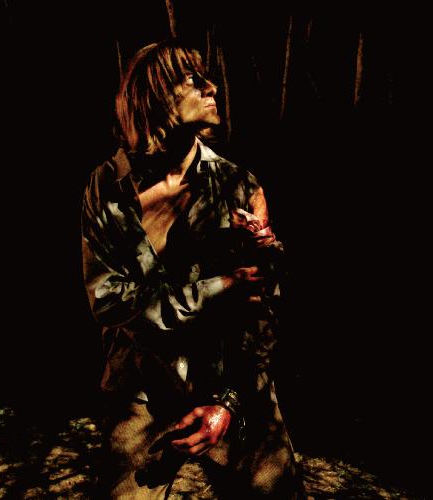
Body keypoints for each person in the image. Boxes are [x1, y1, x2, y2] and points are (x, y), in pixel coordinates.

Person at [81, 39, 302, 498]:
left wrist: (230, 403)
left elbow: (262, 310)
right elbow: (110, 302)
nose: (211, 87)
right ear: (156, 96)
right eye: (193, 80)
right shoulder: (107, 188)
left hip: (231, 382)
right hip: (141, 389)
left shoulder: (237, 184)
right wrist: (221, 285)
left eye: (208, 78)